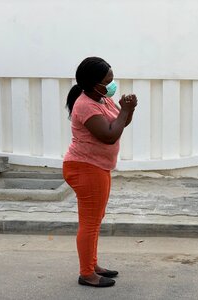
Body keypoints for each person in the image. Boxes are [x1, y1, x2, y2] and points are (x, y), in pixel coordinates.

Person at [63, 57, 137, 287]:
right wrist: (124, 110)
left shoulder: (103, 98)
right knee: (90, 223)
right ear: (93, 83)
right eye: (108, 81)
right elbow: (108, 135)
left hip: (96, 167)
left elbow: (119, 123)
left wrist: (128, 109)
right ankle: (87, 273)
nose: (111, 85)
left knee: (95, 219)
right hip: (85, 168)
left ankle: (91, 264)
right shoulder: (85, 105)